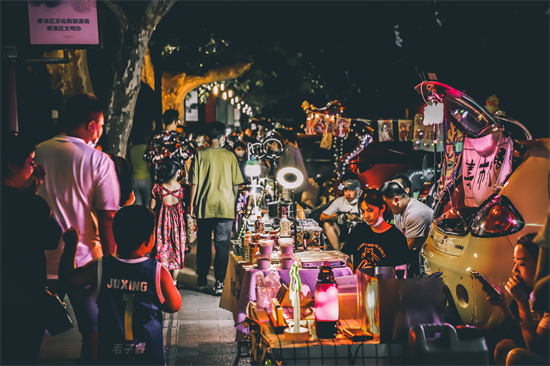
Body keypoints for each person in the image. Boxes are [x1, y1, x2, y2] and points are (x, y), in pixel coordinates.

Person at [35, 94, 121, 364]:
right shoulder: (98, 161)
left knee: (35, 329)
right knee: (93, 331)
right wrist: (113, 264)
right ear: (93, 125)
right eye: (102, 125)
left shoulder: (36, 152)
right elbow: (108, 218)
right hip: (86, 262)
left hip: (40, 259)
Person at [59, 205, 181, 365]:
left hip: (111, 354)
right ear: (150, 239)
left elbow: (69, 279)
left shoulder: (102, 266)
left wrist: (71, 245)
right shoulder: (157, 271)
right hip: (148, 355)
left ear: (115, 236)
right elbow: (174, 305)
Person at [1, 131, 62, 365]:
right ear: (10, 163)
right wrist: (34, 196)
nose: (34, 168)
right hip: (24, 296)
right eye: (30, 162)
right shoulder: (31, 205)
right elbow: (50, 239)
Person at [189, 121, 244, 295]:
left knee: (203, 244)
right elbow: (236, 184)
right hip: (225, 206)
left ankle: (202, 279)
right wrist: (234, 203)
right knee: (222, 245)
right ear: (223, 137)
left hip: (205, 205)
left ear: (207, 137)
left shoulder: (200, 155)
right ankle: (220, 282)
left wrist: (191, 204)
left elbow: (194, 182)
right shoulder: (230, 156)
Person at [484, 234, 549, 365]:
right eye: (515, 263)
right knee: (503, 348)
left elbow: (535, 348)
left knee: (516, 357)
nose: (515, 270)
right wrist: (503, 306)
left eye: (522, 264)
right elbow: (522, 337)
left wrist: (521, 301)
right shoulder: (534, 293)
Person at [341, 189, 408, 272]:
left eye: (370, 210)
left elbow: (400, 271)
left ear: (382, 208)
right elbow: (343, 257)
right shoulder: (359, 230)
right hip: (361, 282)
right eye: (363, 211)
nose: (366, 216)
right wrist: (353, 272)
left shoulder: (396, 237)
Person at [380, 181, 433, 277]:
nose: (383, 209)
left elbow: (407, 248)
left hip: (427, 261)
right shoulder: (398, 211)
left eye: (385, 205)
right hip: (416, 257)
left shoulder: (415, 213)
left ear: (396, 200)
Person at [150, 158, 187, 287]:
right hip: (178, 225)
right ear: (176, 173)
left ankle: (162, 280)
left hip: (161, 224)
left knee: (162, 248)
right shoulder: (181, 189)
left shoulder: (158, 188)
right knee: (177, 249)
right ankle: (174, 281)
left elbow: (152, 206)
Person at [144, 109, 195, 183]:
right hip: (178, 184)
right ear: (176, 122)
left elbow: (149, 163)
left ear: (163, 122)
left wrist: (154, 177)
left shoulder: (154, 140)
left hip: (159, 184)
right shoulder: (181, 140)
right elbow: (188, 163)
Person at [320, 179, 362, 250]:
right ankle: (338, 252)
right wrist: (330, 217)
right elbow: (322, 216)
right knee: (327, 224)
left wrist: (358, 219)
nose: (348, 193)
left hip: (358, 232)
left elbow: (373, 220)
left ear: (359, 191)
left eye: (351, 190)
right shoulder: (340, 200)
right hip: (343, 231)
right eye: (346, 190)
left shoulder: (363, 201)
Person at [276, 128, 309, 195]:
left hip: (294, 183)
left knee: (294, 202)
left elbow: (290, 167)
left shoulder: (289, 148)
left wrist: (281, 180)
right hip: (297, 182)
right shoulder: (293, 147)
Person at [129, 131, 152, 206]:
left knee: (137, 204)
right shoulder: (146, 148)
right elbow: (149, 164)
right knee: (147, 203)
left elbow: (128, 163)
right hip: (146, 178)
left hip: (134, 179)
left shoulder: (131, 149)